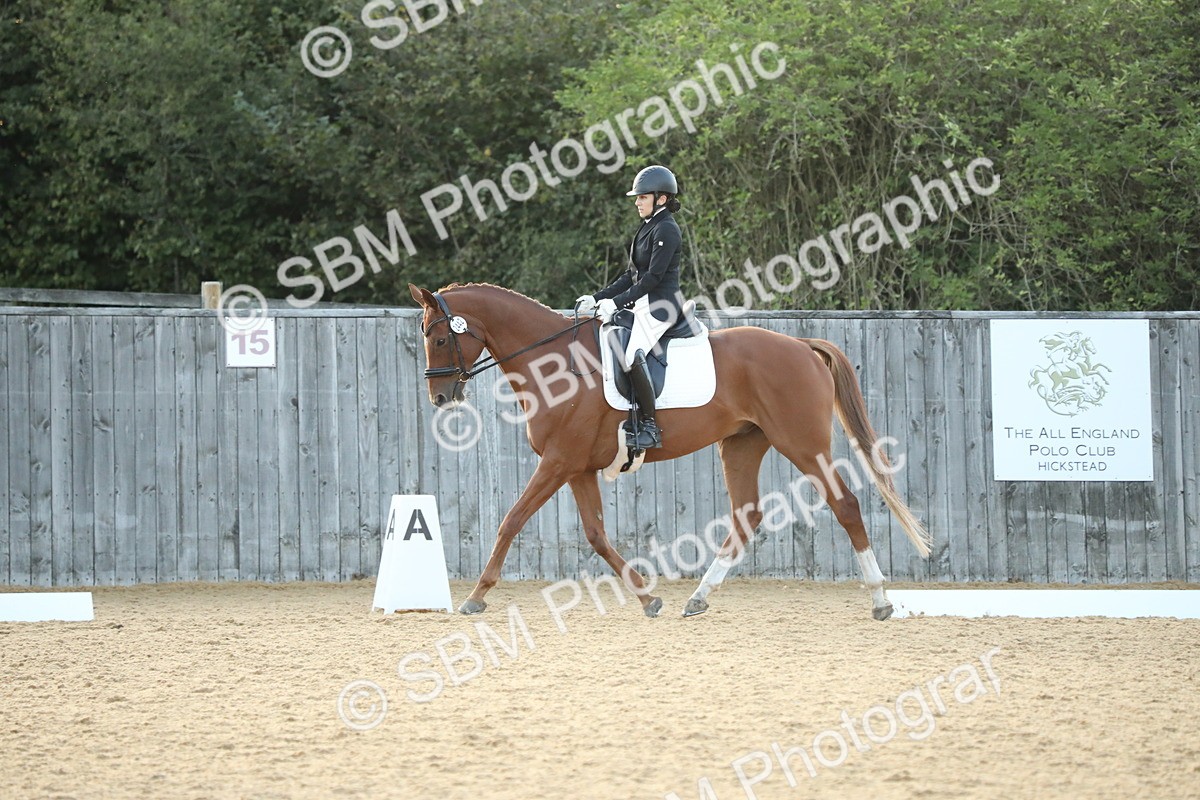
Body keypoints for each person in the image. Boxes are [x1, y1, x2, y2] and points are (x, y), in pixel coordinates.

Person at [575, 165, 689, 451]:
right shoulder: (648, 226)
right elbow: (631, 275)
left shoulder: (667, 229)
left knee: (630, 354)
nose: (637, 202)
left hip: (662, 307)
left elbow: (652, 278)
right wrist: (598, 297)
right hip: (643, 303)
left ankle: (650, 426)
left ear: (660, 198)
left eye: (642, 197)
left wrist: (616, 302)